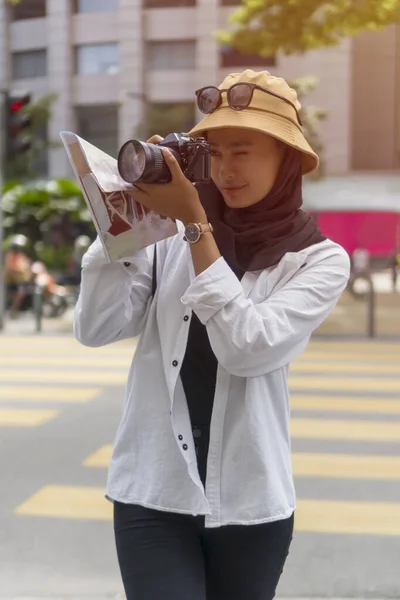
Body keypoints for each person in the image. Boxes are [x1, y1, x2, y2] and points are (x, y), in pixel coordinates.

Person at [74, 69, 350, 600]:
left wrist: (197, 228)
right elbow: (96, 327)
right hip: (152, 492)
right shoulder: (169, 236)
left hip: (249, 504)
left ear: (285, 159)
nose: (225, 169)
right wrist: (124, 220)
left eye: (242, 150)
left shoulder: (318, 260)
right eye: (215, 152)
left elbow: (249, 348)